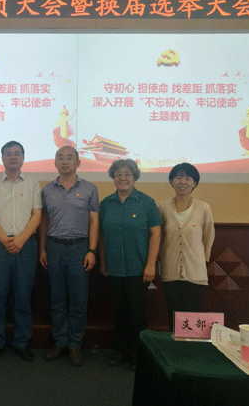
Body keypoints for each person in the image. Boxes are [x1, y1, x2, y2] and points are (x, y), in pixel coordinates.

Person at [0, 141, 42, 362]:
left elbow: (37, 214)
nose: (13, 157)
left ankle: (21, 341)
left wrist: (21, 239)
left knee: (23, 296)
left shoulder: (33, 183)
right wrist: (5, 240)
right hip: (0, 245)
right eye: (8, 154)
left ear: (23, 158)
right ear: (2, 159)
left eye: (17, 153)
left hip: (26, 245)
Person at [39, 146, 99, 367]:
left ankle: (75, 344)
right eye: (60, 158)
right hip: (54, 247)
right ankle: (60, 342)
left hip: (79, 248)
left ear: (78, 163)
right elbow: (44, 221)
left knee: (78, 299)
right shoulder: (47, 189)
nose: (65, 162)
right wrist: (42, 249)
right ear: (55, 162)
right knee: (57, 298)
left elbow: (94, 221)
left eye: (69, 158)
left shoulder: (90, 189)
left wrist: (92, 250)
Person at [99, 158, 161, 370]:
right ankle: (121, 351)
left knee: (137, 314)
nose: (123, 178)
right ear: (113, 177)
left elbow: (155, 234)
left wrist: (150, 264)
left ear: (134, 177)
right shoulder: (106, 204)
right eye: (118, 174)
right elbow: (101, 235)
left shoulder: (146, 202)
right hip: (114, 268)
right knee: (119, 313)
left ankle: (137, 354)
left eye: (127, 174)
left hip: (138, 268)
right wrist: (103, 261)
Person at [157, 163, 215, 332]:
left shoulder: (203, 208)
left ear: (194, 183)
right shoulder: (163, 208)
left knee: (193, 319)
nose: (183, 182)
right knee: (173, 317)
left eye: (188, 178)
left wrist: (202, 260)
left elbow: (209, 236)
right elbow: (158, 238)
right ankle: (175, 347)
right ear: (171, 181)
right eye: (178, 177)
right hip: (170, 270)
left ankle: (190, 347)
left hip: (195, 272)